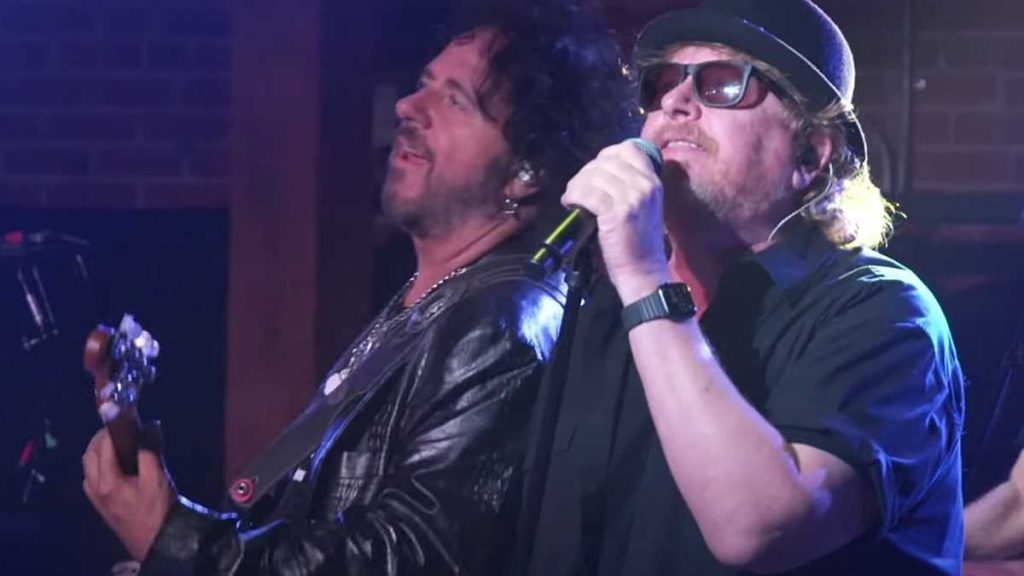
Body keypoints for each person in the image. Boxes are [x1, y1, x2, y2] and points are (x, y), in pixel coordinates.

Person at [82, 2, 636, 574]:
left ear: (528, 171)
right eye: (423, 84)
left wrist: (179, 544)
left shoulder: (498, 326)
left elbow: (409, 556)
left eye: (453, 101)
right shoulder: (440, 303)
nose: (407, 106)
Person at [521, 1, 965, 575]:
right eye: (662, 83)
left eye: (722, 84)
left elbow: (757, 528)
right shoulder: (606, 300)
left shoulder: (883, 313)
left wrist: (645, 280)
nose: (675, 102)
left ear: (811, 153)